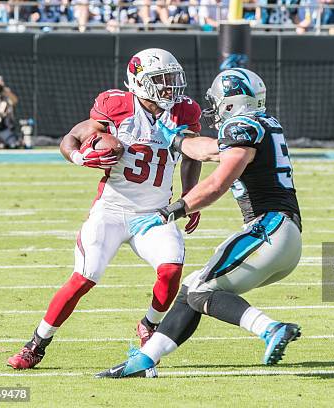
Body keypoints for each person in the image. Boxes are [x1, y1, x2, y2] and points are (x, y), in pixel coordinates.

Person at [96, 68, 303, 378]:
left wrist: (171, 210)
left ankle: (271, 328)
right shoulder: (259, 125)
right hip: (283, 237)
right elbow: (208, 150)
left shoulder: (242, 127)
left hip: (268, 228)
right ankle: (143, 361)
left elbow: (218, 183)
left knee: (201, 290)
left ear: (232, 103)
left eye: (219, 101)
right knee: (193, 287)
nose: (214, 107)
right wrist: (176, 137)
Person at [7, 48, 203, 369]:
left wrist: (191, 195)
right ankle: (36, 344)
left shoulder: (184, 112)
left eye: (172, 80)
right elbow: (72, 137)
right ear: (139, 82)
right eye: (161, 80)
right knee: (84, 277)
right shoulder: (117, 106)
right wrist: (78, 157)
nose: (170, 88)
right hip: (111, 209)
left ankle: (148, 325)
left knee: (170, 271)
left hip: (155, 213)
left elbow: (192, 155)